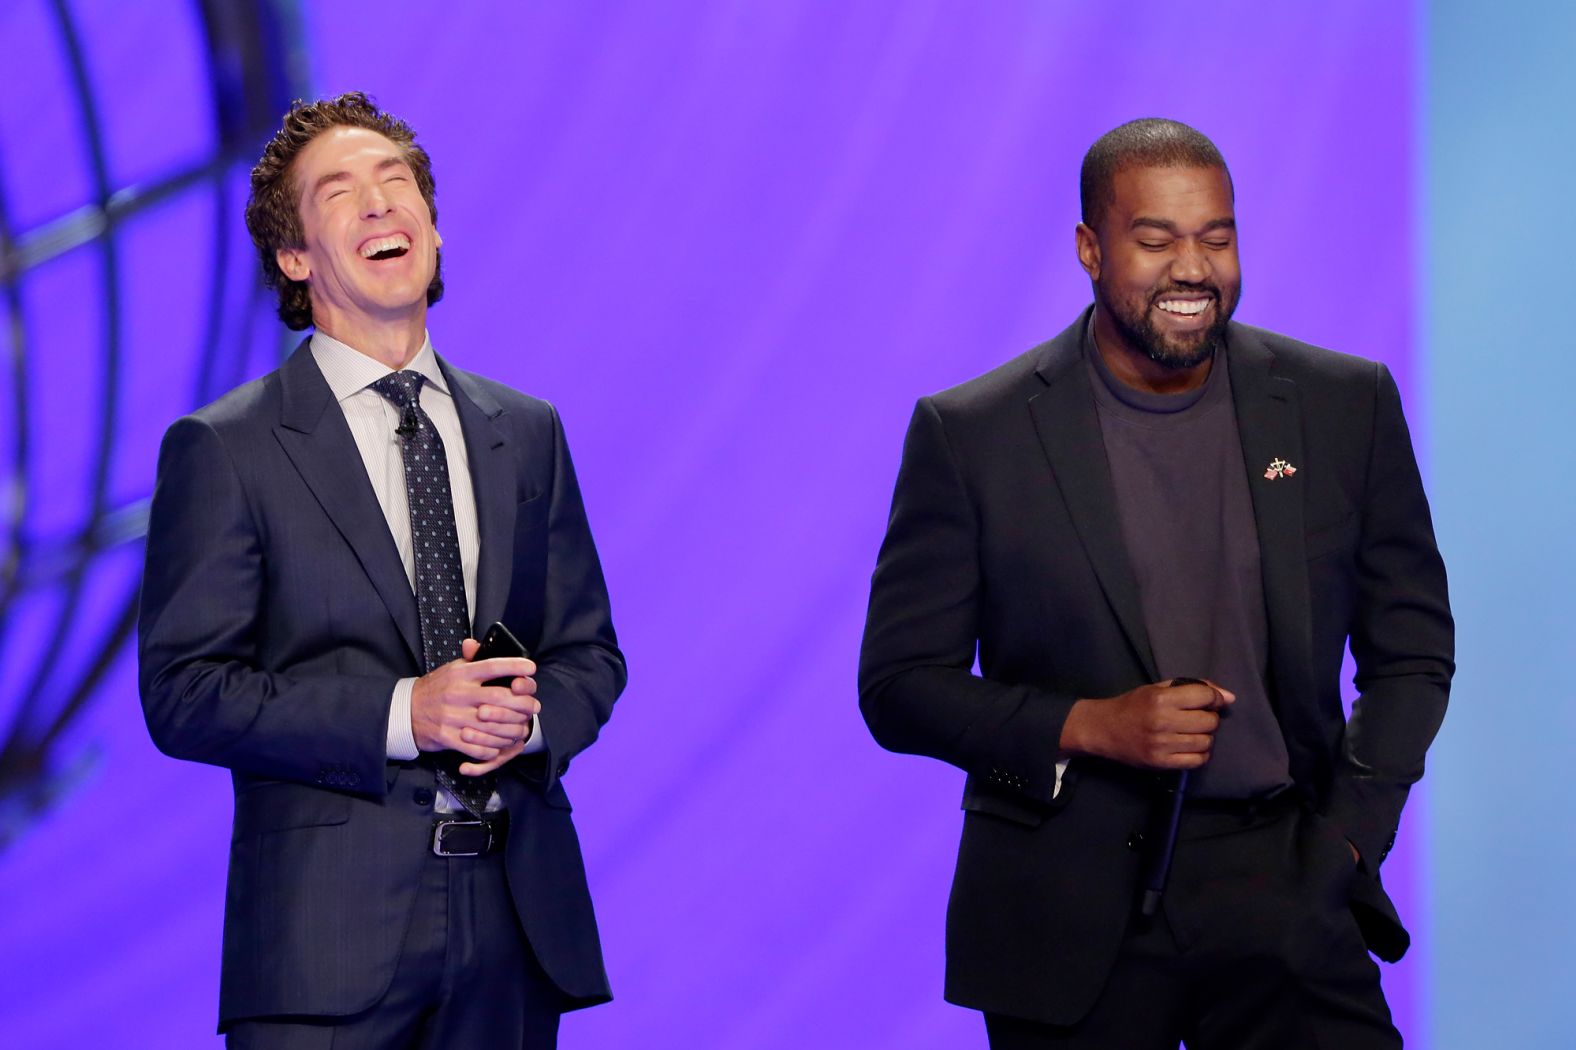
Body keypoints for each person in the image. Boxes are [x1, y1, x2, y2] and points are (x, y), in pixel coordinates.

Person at [857, 118, 1452, 1048]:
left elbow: (1413, 650)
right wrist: (1089, 725)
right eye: (1156, 238)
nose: (1193, 268)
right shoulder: (974, 433)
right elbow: (897, 689)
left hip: (1288, 883)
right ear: (1091, 248)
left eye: (1216, 236)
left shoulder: (1345, 403)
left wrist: (1347, 838)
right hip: (1066, 905)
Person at [138, 92, 625, 1048]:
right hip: (324, 952)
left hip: (515, 934)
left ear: (432, 230)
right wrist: (409, 714)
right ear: (294, 258)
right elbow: (184, 693)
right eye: (340, 193)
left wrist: (528, 722)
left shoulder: (525, 432)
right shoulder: (226, 447)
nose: (377, 206)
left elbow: (591, 654)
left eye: (395, 183)